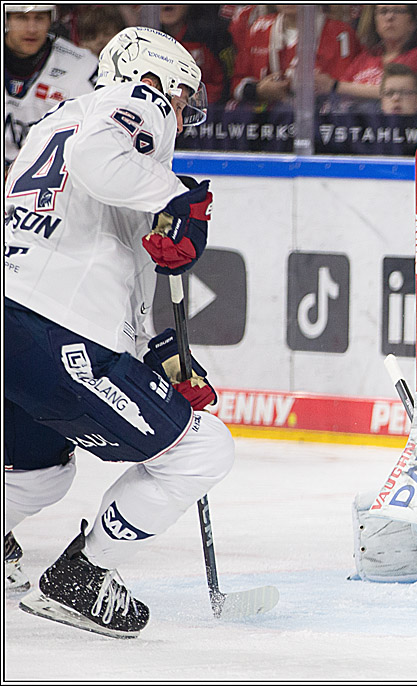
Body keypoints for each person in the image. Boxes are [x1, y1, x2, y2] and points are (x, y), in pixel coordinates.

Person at [4, 26, 234, 639]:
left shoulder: (63, 120)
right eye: (182, 99)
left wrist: (154, 357)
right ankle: (80, 577)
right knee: (202, 449)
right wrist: (179, 196)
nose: (179, 116)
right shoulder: (135, 101)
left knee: (37, 474)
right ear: (154, 77)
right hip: (50, 327)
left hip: (22, 320)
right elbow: (99, 165)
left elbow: (104, 247)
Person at [4, 4, 97, 172]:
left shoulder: (83, 66)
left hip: (49, 176)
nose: (31, 29)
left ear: (51, 19)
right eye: (21, 18)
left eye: (39, 18)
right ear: (6, 19)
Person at [231, 5, 360, 109]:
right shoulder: (258, 28)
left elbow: (347, 92)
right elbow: (237, 84)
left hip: (318, 125)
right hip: (269, 127)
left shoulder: (341, 33)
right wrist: (258, 91)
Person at [331, 5, 417, 110]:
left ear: (412, 22)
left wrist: (334, 86)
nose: (389, 17)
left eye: (398, 11)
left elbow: (392, 93)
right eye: (383, 11)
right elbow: (343, 86)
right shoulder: (366, 56)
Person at [160, 4, 233, 105]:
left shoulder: (210, 37)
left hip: (209, 110)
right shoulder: (144, 40)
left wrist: (190, 97)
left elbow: (221, 85)